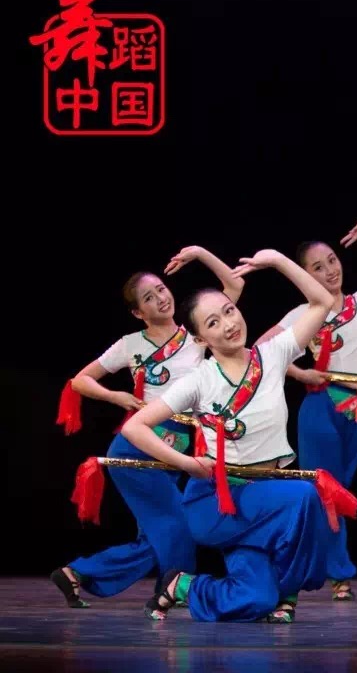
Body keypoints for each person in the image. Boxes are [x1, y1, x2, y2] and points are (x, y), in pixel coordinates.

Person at [123, 249, 340, 623]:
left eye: (229, 311)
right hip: (218, 500)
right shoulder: (199, 380)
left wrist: (277, 261)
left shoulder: (273, 355)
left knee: (255, 599)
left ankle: (182, 586)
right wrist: (186, 463)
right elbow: (134, 427)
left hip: (263, 501)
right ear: (200, 338)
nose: (228, 324)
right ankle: (288, 594)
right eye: (213, 322)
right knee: (305, 495)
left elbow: (322, 302)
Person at [51, 247, 243, 608]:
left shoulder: (195, 336)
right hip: (138, 444)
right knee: (177, 525)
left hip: (177, 444)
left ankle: (77, 574)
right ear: (139, 313)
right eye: (149, 298)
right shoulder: (130, 345)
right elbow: (80, 381)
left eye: (161, 289)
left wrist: (200, 253)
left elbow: (233, 286)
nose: (161, 298)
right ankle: (176, 589)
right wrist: (116, 396)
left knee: (157, 535)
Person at [257, 216, 357, 601]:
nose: (329, 270)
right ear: (304, 276)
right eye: (317, 267)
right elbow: (260, 350)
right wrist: (299, 372)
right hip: (321, 406)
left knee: (341, 491)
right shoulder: (303, 314)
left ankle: (312, 566)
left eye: (331, 261)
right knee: (328, 490)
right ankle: (336, 574)